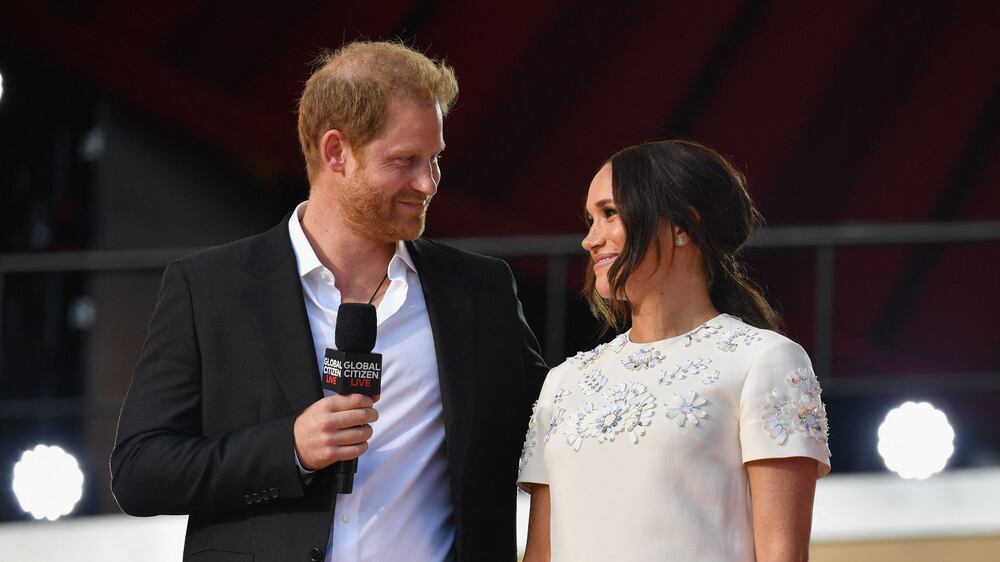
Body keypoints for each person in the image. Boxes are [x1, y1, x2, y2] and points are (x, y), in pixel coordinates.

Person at [111, 41, 547, 562]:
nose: (428, 183)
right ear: (336, 151)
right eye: (405, 161)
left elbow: (555, 429)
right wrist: (289, 449)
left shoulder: (479, 290)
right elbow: (139, 471)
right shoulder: (209, 287)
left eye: (435, 160)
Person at [517, 140, 831, 562]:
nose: (590, 240)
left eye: (609, 213)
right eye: (590, 219)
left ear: (683, 223)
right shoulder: (563, 382)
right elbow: (540, 554)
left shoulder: (763, 361)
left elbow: (781, 554)